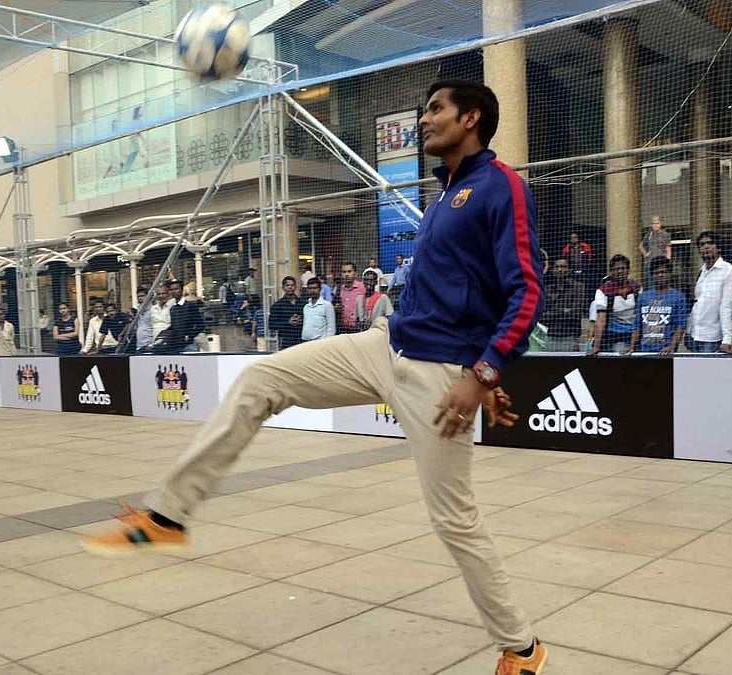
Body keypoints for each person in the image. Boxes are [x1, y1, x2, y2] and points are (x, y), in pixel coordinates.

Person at [82, 79, 549, 675]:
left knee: (454, 521)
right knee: (260, 379)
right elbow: (467, 294)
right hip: (386, 345)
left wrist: (481, 373)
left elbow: (525, 291)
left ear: (471, 118)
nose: (424, 119)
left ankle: (522, 648)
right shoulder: (444, 195)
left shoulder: (500, 185)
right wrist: (486, 366)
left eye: (436, 109)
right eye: (424, 108)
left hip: (437, 377)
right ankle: (167, 516)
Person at [688, 231, 732, 353]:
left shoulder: (728, 271)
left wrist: (727, 339)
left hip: (712, 338)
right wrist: (688, 331)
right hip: (694, 335)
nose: (706, 247)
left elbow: (726, 306)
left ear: (718, 246)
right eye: (702, 244)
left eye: (710, 243)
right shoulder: (701, 272)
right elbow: (697, 303)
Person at [631, 257, 687, 355]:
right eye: (657, 273)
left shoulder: (678, 297)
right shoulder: (643, 297)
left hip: (665, 352)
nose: (660, 275)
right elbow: (637, 325)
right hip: (644, 351)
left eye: (663, 272)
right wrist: (632, 347)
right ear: (652, 275)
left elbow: (680, 326)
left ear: (669, 274)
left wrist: (671, 347)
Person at [587, 254, 641, 355]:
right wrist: (596, 346)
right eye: (616, 269)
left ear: (628, 270)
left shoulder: (637, 287)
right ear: (611, 272)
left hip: (636, 333)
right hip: (616, 334)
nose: (620, 271)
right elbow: (601, 319)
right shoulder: (603, 291)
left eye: (623, 268)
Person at [542, 258, 587, 351]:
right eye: (557, 267)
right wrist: (564, 310)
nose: (560, 270)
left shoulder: (579, 287)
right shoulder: (547, 289)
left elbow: (576, 313)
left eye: (563, 267)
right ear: (553, 270)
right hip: (551, 335)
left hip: (570, 336)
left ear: (569, 269)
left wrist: (553, 311)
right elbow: (542, 316)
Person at [268, 276, 306, 349]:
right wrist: (288, 322)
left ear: (296, 287)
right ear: (283, 288)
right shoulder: (277, 305)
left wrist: (301, 320)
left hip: (301, 340)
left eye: (292, 285)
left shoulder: (303, 303)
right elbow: (271, 325)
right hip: (285, 341)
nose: (290, 287)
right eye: (287, 285)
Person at [332, 261, 365, 334]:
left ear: (355, 273)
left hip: (357, 329)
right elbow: (332, 304)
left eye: (349, 271)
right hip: (342, 329)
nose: (346, 274)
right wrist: (334, 308)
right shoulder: (338, 290)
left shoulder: (362, 288)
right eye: (344, 272)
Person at [300, 276, 336, 342]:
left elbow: (331, 328)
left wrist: (326, 343)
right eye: (310, 288)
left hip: (320, 343)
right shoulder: (306, 307)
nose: (312, 291)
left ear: (320, 289)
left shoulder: (327, 306)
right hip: (305, 341)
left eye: (315, 288)